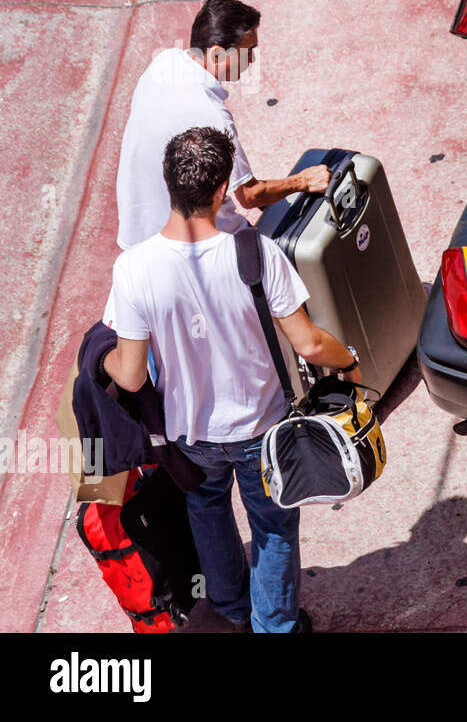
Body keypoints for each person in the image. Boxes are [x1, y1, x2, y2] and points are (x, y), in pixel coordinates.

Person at [102, 126, 362, 633]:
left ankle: (230, 606)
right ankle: (276, 625)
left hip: (190, 434)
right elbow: (309, 343)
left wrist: (106, 361)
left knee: (206, 507)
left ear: (167, 185)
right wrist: (350, 362)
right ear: (222, 190)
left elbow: (131, 376)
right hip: (259, 430)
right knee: (272, 523)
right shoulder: (255, 253)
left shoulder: (132, 269)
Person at [114, 0, 330, 250]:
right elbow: (249, 195)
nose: (251, 61)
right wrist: (302, 181)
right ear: (216, 55)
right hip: (190, 244)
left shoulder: (164, 63)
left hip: (138, 235)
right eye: (247, 52)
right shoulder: (210, 114)